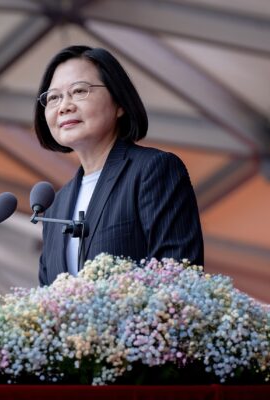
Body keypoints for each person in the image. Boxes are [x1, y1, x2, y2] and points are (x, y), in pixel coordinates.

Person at [35, 45, 204, 286]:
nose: (64, 106)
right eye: (54, 97)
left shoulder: (153, 170)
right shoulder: (55, 207)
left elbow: (179, 278)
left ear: (119, 103)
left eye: (79, 91)